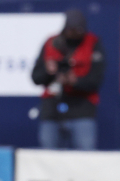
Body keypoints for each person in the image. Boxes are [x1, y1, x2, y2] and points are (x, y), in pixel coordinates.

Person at [31, 9, 105, 150]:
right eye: (71, 30)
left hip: (82, 109)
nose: (75, 34)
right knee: (49, 159)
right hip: (52, 110)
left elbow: (96, 80)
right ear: (65, 28)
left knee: (85, 158)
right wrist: (49, 72)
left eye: (78, 30)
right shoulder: (51, 43)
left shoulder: (93, 43)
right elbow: (36, 78)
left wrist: (75, 81)